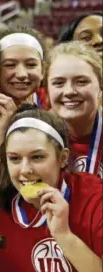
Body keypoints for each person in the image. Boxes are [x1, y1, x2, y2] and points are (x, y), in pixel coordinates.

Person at [0, 104, 102, 272]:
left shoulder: (95, 198)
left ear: (63, 158)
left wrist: (64, 235)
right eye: (15, 159)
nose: (25, 169)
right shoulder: (1, 212)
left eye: (37, 157)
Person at [46, 41, 102, 178]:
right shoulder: (35, 135)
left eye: (81, 81)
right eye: (58, 83)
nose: (69, 91)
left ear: (101, 87)